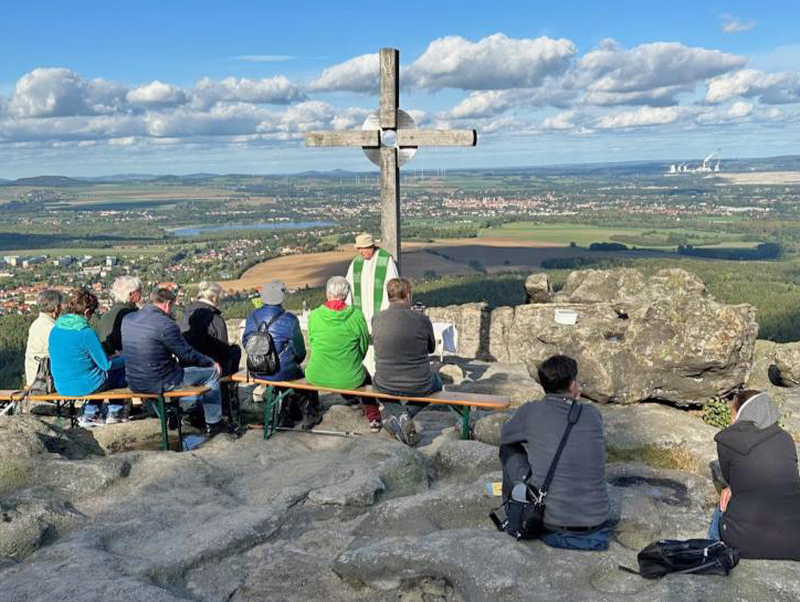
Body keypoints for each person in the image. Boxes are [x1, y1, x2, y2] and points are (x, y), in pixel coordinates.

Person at [500, 355, 611, 550]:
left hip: (552, 524)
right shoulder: (593, 414)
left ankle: (516, 511)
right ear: (573, 384)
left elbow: (506, 436)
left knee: (508, 449)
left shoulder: (531, 411)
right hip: (597, 523)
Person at [122, 287, 234, 436]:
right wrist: (210, 362)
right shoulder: (165, 324)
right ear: (168, 304)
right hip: (160, 381)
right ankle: (214, 423)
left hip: (134, 381)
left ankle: (171, 412)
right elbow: (186, 355)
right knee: (212, 374)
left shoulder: (128, 319)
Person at [707, 390, 800, 559]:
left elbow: (731, 481)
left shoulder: (728, 439)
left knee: (723, 502)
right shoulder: (786, 439)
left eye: (732, 413)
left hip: (744, 543)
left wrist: (733, 488)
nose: (731, 419)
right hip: (795, 543)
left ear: (742, 412)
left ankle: (710, 551)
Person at [243, 280, 321, 429]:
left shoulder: (251, 317)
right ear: (281, 298)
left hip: (257, 370)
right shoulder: (290, 320)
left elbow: (246, 341)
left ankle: (284, 415)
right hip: (281, 371)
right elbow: (300, 352)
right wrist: (294, 361)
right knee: (300, 375)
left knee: (286, 373)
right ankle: (308, 414)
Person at [306, 276, 381, 432]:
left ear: (327, 293)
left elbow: (313, 343)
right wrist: (353, 359)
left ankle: (312, 411)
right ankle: (373, 417)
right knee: (364, 376)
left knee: (311, 369)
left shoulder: (314, 315)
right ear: (347, 295)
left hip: (317, 375)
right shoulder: (356, 316)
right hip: (349, 377)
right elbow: (364, 345)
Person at [372, 278, 441, 446]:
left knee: (376, 383)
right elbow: (431, 348)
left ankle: (398, 417)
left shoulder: (377, 318)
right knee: (437, 384)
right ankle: (406, 415)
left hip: (385, 382)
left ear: (389, 296)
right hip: (419, 383)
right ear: (408, 295)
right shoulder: (422, 320)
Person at [48, 288, 127, 427]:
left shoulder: (55, 329)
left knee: (97, 374)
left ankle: (92, 411)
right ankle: (114, 411)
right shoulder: (86, 333)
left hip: (61, 386)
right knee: (118, 370)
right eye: (91, 314)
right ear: (86, 312)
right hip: (82, 386)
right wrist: (125, 358)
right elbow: (106, 365)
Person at [345, 233, 399, 372]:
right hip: (361, 314)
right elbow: (348, 287)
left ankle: (379, 374)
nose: (360, 252)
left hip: (380, 314)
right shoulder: (356, 263)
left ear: (371, 247)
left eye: (362, 248)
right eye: (358, 249)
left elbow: (393, 287)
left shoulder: (385, 260)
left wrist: (388, 313)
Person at [180, 281, 242, 376]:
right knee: (235, 350)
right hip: (210, 367)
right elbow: (223, 349)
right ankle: (229, 386)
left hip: (186, 366)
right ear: (214, 297)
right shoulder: (215, 319)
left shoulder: (185, 315)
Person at [24, 289, 63, 386]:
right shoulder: (50, 328)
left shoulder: (36, 324)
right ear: (56, 308)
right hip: (43, 382)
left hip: (33, 378)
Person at [97, 275, 141, 356]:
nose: (141, 293)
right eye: (139, 290)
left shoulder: (106, 315)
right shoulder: (132, 316)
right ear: (131, 295)